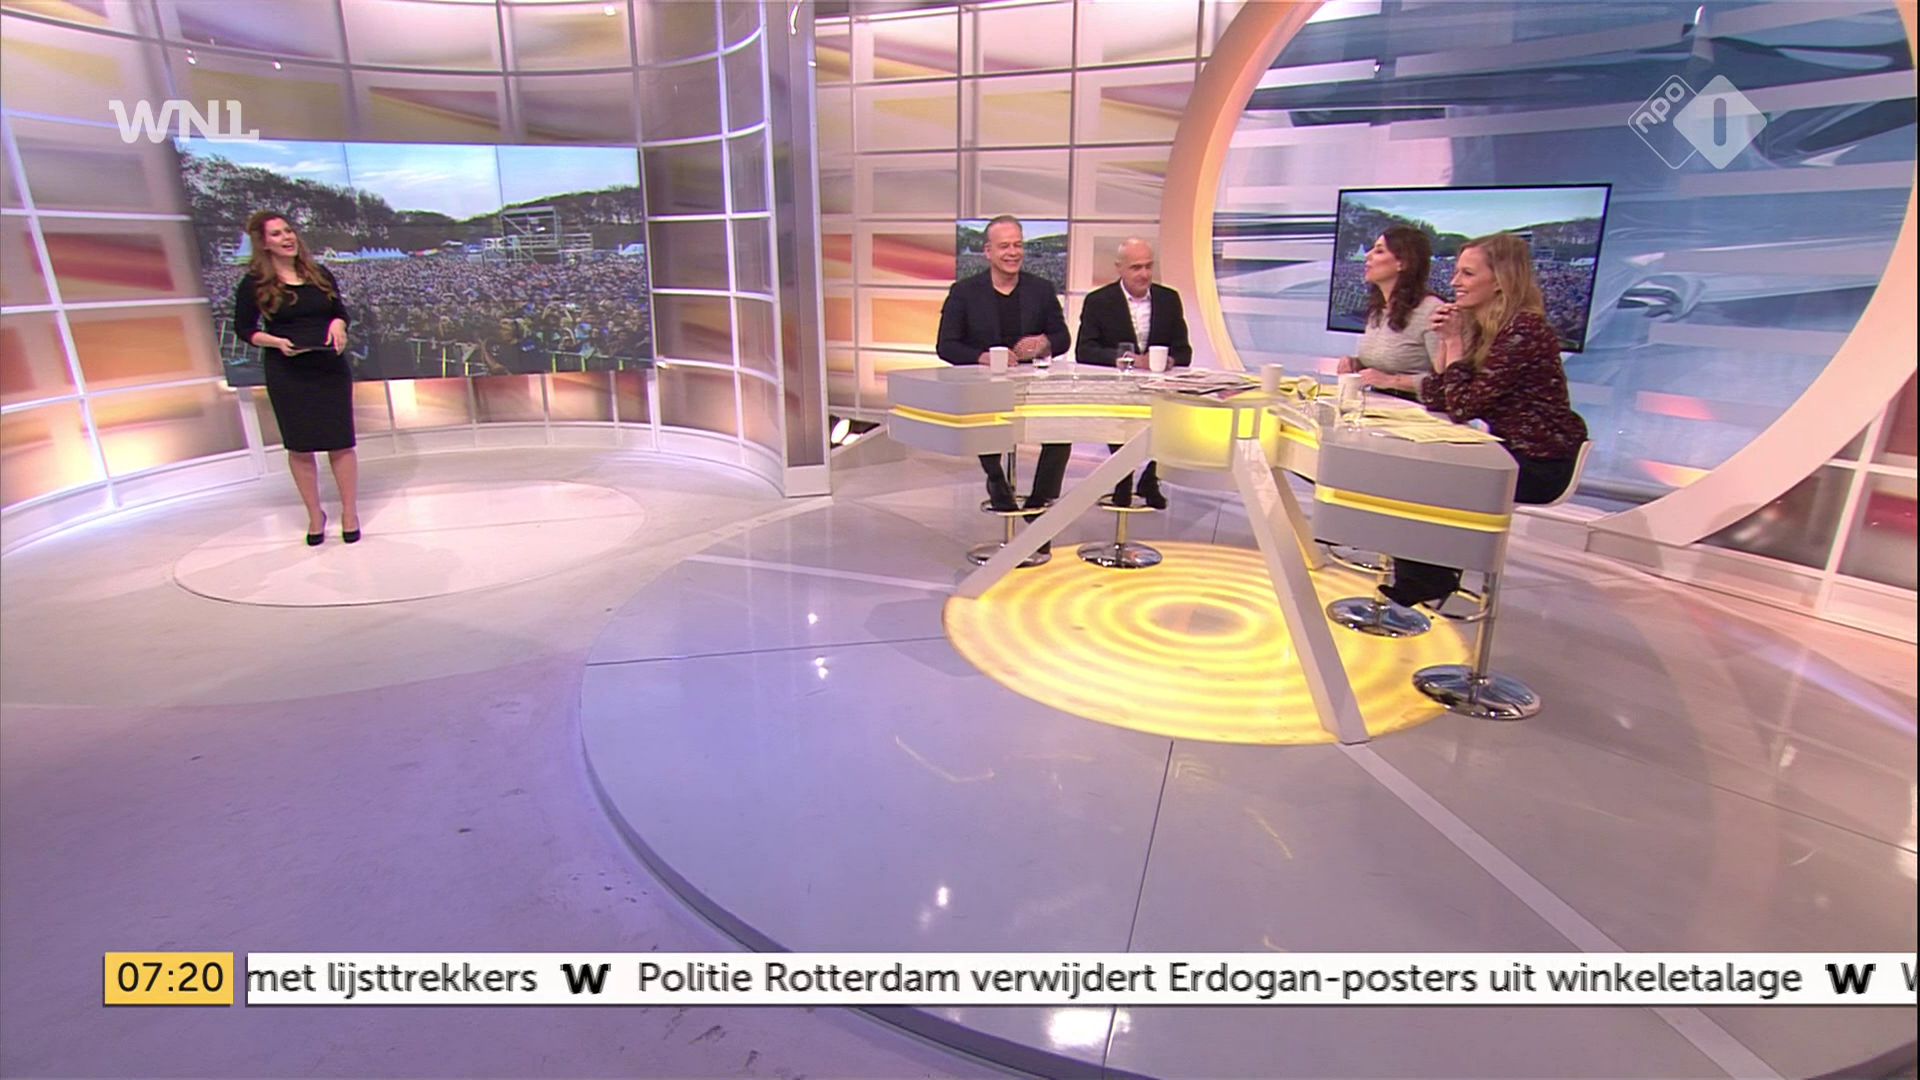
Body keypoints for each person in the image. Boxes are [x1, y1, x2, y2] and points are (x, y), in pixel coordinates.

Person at [1381, 232, 1589, 608]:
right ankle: (1425, 575)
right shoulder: (1485, 328)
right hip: (1506, 450)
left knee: (1428, 475)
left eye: (1467, 273)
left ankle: (1429, 578)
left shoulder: (1523, 331)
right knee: (1412, 463)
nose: (1454, 282)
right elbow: (1442, 398)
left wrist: (1454, 344)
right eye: (1456, 272)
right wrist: (1446, 344)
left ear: (1500, 282)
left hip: (1541, 462)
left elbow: (1463, 407)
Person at [232, 210, 361, 546]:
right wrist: (275, 342)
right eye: (276, 234)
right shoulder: (254, 284)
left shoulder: (319, 274)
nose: (287, 238)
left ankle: (350, 513)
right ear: (264, 243)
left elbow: (340, 311)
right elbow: (244, 329)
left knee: (340, 442)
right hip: (288, 370)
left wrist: (339, 325)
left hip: (329, 367)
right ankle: (315, 515)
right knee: (300, 446)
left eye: (288, 231)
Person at [935, 215, 1072, 514]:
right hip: (986, 388)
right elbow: (946, 345)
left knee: (1063, 429)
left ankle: (1040, 500)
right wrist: (982, 356)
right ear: (988, 251)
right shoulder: (964, 292)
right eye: (1005, 246)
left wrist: (1044, 342)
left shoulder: (1041, 289)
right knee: (987, 420)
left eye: (1018, 245)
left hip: (1033, 387)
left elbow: (1063, 338)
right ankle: (996, 478)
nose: (1013, 253)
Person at [1075, 237, 1192, 507]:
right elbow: (1085, 350)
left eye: (1149, 266)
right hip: (1117, 388)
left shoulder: (1169, 299)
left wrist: (1169, 360)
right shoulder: (1098, 301)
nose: (1144, 274)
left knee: (1182, 419)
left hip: (1159, 390)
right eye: (1136, 267)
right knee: (1118, 419)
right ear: (1120, 268)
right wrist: (1127, 360)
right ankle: (1123, 478)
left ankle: (1150, 478)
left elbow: (1184, 351)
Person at [1336, 227, 1442, 400]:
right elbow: (1381, 364)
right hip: (1379, 405)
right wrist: (1355, 364)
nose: (1367, 255)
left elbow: (1447, 383)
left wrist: (1392, 381)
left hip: (1415, 410)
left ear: (1403, 263)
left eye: (1379, 251)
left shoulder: (1432, 311)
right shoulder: (1378, 309)